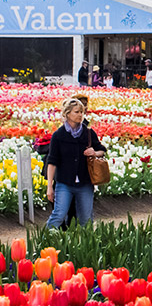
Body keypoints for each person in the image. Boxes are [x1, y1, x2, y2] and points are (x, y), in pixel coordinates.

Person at [45, 98, 106, 229]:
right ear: (67, 114)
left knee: (86, 219)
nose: (80, 115)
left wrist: (94, 152)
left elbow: (102, 150)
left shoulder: (88, 133)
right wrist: (50, 186)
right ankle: (45, 242)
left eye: (82, 112)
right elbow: (52, 162)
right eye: (77, 112)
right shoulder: (58, 135)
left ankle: (85, 246)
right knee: (59, 215)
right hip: (64, 183)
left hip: (85, 183)